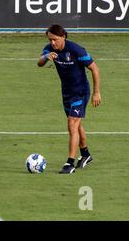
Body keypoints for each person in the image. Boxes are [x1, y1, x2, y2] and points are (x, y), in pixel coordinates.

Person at [37, 24, 101, 174]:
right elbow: (39, 63)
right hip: (66, 93)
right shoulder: (50, 49)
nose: (52, 42)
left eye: (55, 39)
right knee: (77, 126)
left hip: (80, 92)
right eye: (50, 39)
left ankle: (70, 163)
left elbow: (94, 68)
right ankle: (85, 154)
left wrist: (96, 92)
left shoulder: (76, 50)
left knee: (72, 124)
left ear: (63, 37)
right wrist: (46, 57)